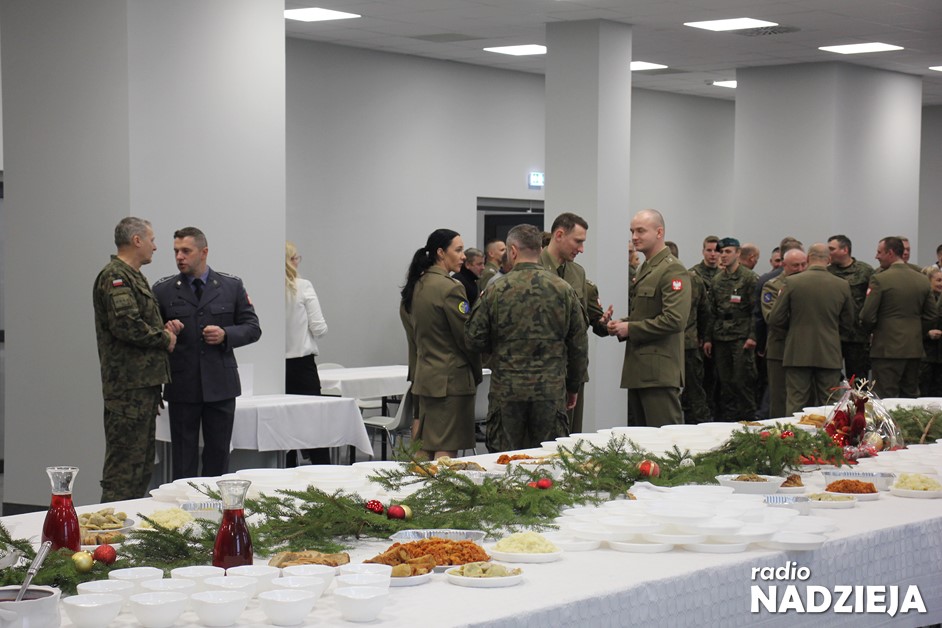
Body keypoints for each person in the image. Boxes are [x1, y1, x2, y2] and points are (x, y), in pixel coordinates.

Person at [153, 227, 262, 480]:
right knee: (183, 459)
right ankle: (184, 503)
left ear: (204, 252)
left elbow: (252, 328)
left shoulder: (230, 286)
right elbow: (152, 335)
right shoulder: (163, 290)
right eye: (176, 251)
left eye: (186, 251)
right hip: (183, 385)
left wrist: (226, 335)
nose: (179, 257)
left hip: (220, 385)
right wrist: (166, 332)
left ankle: (215, 503)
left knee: (218, 455)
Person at [467, 224, 587, 451]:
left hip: (507, 392)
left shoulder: (496, 289)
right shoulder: (563, 289)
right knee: (548, 459)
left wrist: (499, 349)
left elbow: (474, 338)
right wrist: (573, 386)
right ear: (540, 250)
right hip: (550, 392)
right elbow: (578, 345)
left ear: (512, 251)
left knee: (504, 462)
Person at [93, 217, 176, 502]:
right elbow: (126, 325)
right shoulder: (115, 276)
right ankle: (110, 527)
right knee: (123, 470)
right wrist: (164, 338)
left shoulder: (134, 276)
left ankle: (128, 524)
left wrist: (164, 329)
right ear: (136, 240)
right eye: (152, 239)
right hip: (127, 391)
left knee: (140, 468)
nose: (155, 246)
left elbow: (138, 321)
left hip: (142, 388)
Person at [400, 229, 482, 459]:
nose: (463, 256)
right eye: (458, 250)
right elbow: (467, 338)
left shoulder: (416, 285)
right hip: (451, 381)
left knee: (425, 447)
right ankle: (441, 486)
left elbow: (413, 339)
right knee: (446, 451)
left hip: (425, 378)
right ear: (440, 252)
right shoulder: (450, 288)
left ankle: (415, 483)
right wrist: (476, 373)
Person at [608, 210, 690, 426]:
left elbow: (675, 319)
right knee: (642, 439)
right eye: (632, 231)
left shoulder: (672, 268)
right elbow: (646, 313)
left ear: (659, 232)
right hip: (640, 370)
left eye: (641, 231)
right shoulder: (646, 267)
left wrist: (630, 328)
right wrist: (621, 323)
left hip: (659, 372)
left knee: (666, 438)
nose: (634, 237)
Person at [539, 212, 612, 433]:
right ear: (559, 235)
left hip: (572, 371)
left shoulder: (577, 273)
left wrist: (603, 323)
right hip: (539, 373)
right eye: (578, 242)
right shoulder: (533, 266)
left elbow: (587, 319)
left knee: (570, 438)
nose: (581, 249)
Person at [769, 244, 855, 414]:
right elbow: (849, 322)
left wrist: (792, 332)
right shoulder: (842, 285)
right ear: (829, 260)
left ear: (808, 258)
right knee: (831, 405)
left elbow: (775, 318)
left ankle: (794, 432)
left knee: (796, 403)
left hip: (797, 353)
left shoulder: (792, 282)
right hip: (829, 353)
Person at [859, 236, 937, 398]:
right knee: (911, 397)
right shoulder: (922, 280)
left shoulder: (880, 279)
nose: (876, 256)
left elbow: (867, 316)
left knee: (884, 397)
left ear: (891, 253)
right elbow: (931, 315)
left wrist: (872, 332)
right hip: (914, 349)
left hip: (886, 349)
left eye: (879, 252)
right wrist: (916, 332)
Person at [703, 237, 758, 421]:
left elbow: (755, 311)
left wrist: (753, 337)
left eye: (728, 252)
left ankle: (749, 421)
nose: (723, 256)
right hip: (721, 336)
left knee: (742, 381)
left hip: (741, 337)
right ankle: (729, 423)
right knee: (725, 383)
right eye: (721, 252)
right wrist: (708, 338)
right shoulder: (717, 280)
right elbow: (712, 311)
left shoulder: (749, 278)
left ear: (738, 253)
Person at [285, 241, 330, 466]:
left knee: (283, 428)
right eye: (296, 258)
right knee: (314, 426)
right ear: (290, 261)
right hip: (302, 366)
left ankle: (286, 470)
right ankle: (323, 473)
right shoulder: (303, 286)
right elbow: (319, 328)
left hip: (277, 368)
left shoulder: (266, 288)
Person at [760, 248, 806, 418]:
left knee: (802, 397)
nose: (800, 269)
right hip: (780, 348)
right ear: (784, 265)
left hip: (803, 349)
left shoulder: (808, 285)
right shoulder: (773, 286)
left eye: (803, 264)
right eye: (795, 265)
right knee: (779, 396)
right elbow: (771, 317)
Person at [827, 234, 875, 382]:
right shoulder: (828, 272)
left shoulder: (865, 271)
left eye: (832, 249)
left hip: (858, 336)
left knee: (858, 380)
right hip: (833, 334)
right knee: (830, 377)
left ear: (845, 250)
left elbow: (872, 301)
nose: (829, 253)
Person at [920, 266, 942, 397]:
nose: (941, 284)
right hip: (925, 356)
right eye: (938, 280)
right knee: (924, 392)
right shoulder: (921, 301)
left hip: (939, 356)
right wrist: (927, 334)